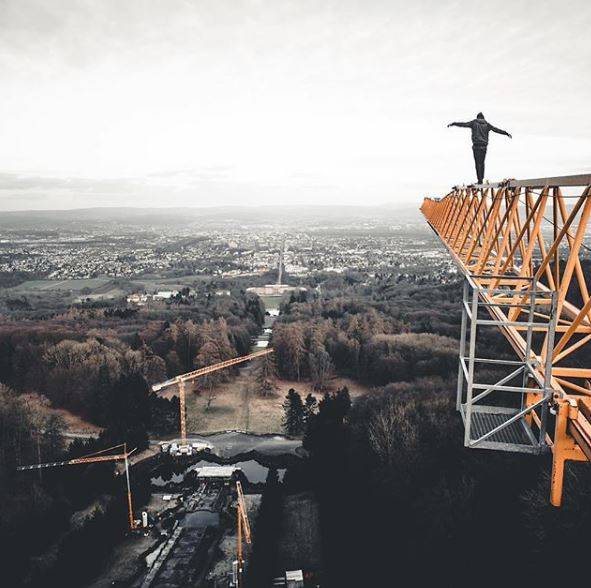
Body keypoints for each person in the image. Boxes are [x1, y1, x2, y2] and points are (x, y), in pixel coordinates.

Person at [447, 112, 512, 184]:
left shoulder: (474, 122)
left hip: (476, 146)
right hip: (484, 146)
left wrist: (453, 123)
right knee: (482, 162)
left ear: (477, 117)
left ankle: (480, 180)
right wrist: (506, 133)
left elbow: (463, 124)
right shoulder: (487, 124)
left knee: (477, 163)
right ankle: (482, 178)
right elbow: (496, 130)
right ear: (483, 118)